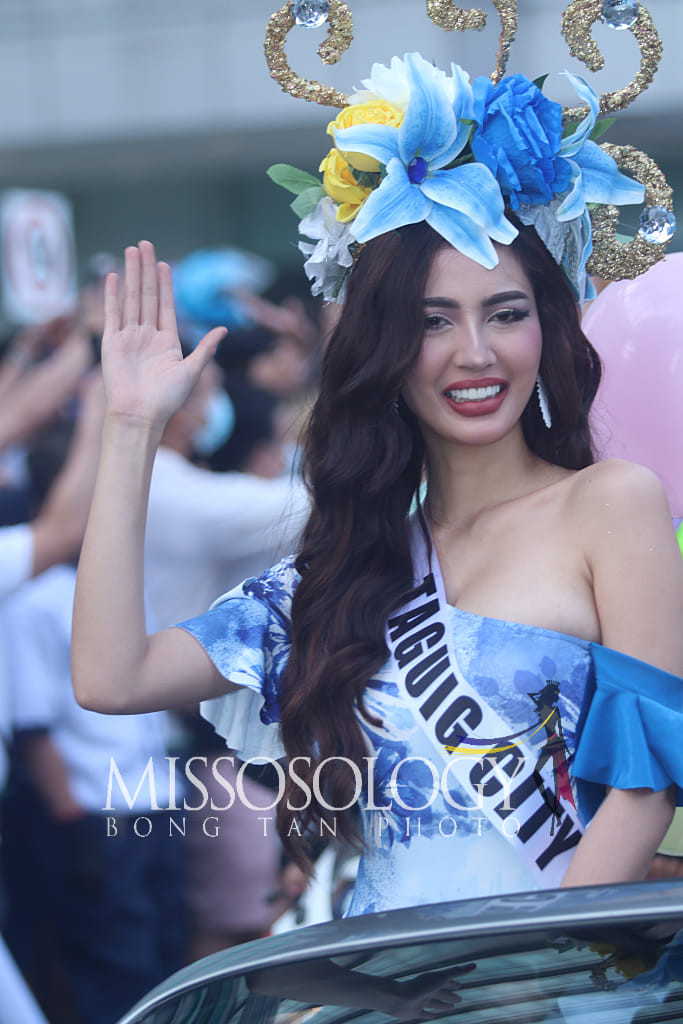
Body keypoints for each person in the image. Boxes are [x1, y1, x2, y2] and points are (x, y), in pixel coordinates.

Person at [72, 51, 683, 931]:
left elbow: (643, 785)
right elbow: (110, 675)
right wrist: (129, 430)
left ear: (545, 331)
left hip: (555, 980)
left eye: (504, 313)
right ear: (385, 352)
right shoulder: (348, 570)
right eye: (432, 322)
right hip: (392, 987)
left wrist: (532, 970)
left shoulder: (608, 504)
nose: (474, 352)